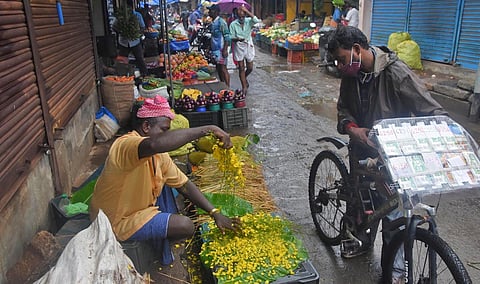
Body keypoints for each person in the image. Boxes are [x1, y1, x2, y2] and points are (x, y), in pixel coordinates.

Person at [326, 25, 447, 281]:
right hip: (361, 149)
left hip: (397, 157)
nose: (339, 65)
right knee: (360, 202)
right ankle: (360, 240)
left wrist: (444, 135)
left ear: (357, 50)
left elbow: (430, 109)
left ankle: (394, 269)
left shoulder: (396, 72)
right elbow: (343, 110)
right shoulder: (351, 75)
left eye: (341, 58)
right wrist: (354, 130)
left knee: (395, 215)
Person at [89, 95, 240, 265]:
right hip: (113, 221)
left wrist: (215, 213)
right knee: (186, 226)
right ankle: (147, 249)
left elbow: (184, 185)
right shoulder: (126, 145)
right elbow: (154, 144)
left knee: (168, 185)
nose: (167, 135)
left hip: (136, 209)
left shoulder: (159, 156)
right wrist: (208, 129)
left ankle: (153, 238)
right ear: (146, 126)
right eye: (164, 130)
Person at [229, 5, 260, 95]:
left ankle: (244, 77)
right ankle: (244, 87)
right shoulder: (233, 24)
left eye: (243, 16)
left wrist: (246, 11)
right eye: (239, 16)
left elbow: (256, 20)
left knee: (250, 68)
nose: (241, 18)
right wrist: (237, 39)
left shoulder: (248, 21)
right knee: (241, 68)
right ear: (236, 16)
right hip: (238, 45)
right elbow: (231, 36)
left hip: (248, 44)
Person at [114, 0, 148, 76]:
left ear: (131, 7)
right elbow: (114, 27)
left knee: (140, 59)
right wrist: (121, 31)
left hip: (135, 41)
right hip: (123, 42)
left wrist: (136, 33)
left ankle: (145, 74)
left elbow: (142, 27)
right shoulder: (120, 17)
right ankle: (123, 75)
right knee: (122, 60)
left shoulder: (137, 15)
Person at [208, 4, 231, 87]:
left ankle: (228, 87)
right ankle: (222, 85)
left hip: (221, 49)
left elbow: (227, 37)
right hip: (215, 49)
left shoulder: (221, 22)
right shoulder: (213, 22)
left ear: (217, 12)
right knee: (219, 69)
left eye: (211, 10)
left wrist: (225, 50)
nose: (209, 12)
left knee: (223, 68)